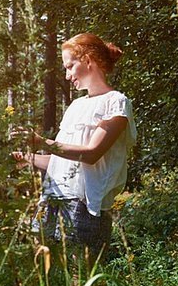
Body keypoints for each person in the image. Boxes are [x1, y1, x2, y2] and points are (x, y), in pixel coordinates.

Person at [11, 33, 136, 259]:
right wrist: (28, 157)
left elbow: (91, 155)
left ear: (88, 60)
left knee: (81, 283)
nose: (67, 76)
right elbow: (61, 163)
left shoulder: (116, 102)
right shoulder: (76, 105)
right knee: (49, 282)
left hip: (83, 208)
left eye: (70, 66)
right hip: (52, 200)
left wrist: (42, 142)